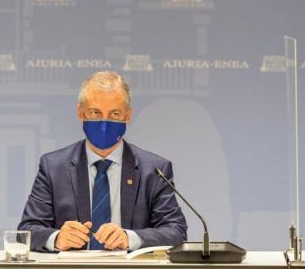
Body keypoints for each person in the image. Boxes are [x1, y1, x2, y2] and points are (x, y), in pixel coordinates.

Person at [19, 71, 187, 252]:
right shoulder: (53, 167)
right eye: (95, 112)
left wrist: (131, 238)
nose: (104, 123)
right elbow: (27, 230)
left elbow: (176, 232)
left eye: (114, 113)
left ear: (127, 116)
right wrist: (57, 238)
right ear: (80, 113)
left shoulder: (154, 170)